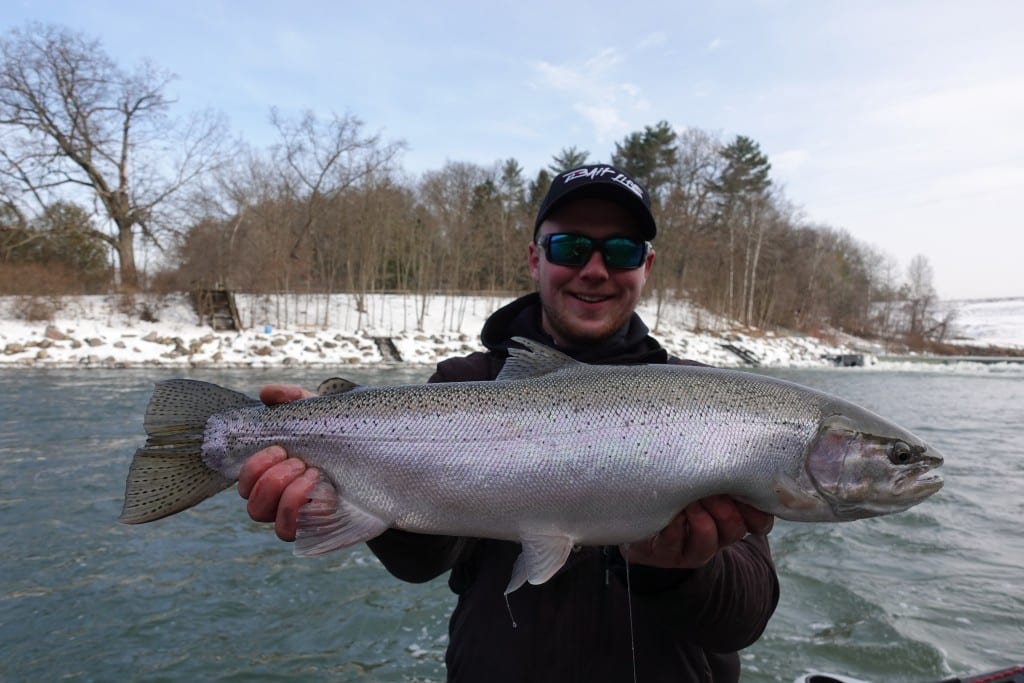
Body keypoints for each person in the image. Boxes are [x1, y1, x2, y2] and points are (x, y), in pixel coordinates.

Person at [238, 164, 779, 682]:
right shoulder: (464, 384)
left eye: (621, 249)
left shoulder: (709, 402)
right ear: (534, 259)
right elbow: (425, 560)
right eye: (570, 247)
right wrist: (349, 478)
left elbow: (745, 618)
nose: (595, 269)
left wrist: (680, 570)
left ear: (647, 266)